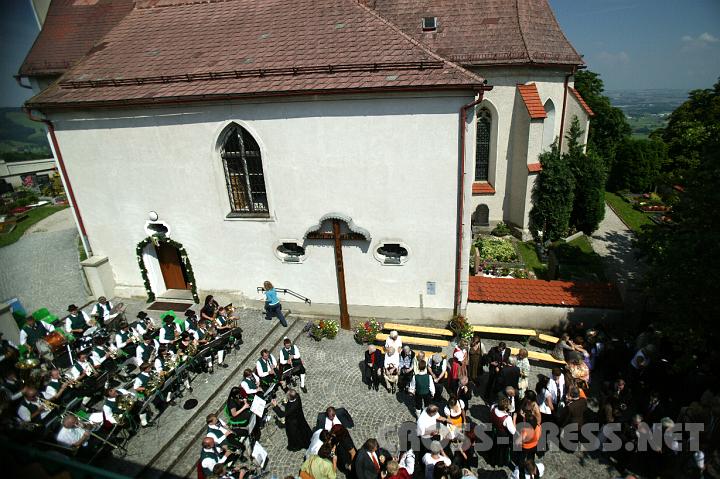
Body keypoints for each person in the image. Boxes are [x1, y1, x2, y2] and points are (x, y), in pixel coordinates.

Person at [489, 398, 516, 468]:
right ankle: (500, 462)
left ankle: (492, 460)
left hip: (494, 432)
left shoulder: (493, 407)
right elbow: (513, 431)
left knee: (495, 447)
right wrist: (514, 419)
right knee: (502, 450)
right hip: (503, 435)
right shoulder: (507, 418)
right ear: (505, 408)